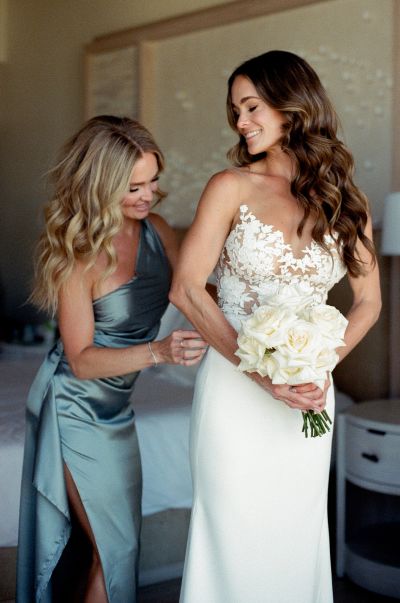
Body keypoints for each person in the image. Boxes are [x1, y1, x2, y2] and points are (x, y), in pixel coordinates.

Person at [170, 50, 381, 603]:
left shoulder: (344, 198)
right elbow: (188, 289)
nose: (241, 122)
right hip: (235, 393)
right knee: (233, 533)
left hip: (310, 394)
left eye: (252, 106)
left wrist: (316, 365)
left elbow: (369, 302)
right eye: (236, 110)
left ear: (293, 106)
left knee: (294, 530)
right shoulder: (229, 186)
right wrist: (264, 374)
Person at [16, 115, 207, 603]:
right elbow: (79, 360)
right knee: (114, 548)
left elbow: (194, 294)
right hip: (74, 408)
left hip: (117, 407)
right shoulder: (79, 255)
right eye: (133, 186)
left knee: (119, 545)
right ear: (99, 186)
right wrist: (160, 351)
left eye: (153, 181)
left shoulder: (157, 230)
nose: (148, 196)